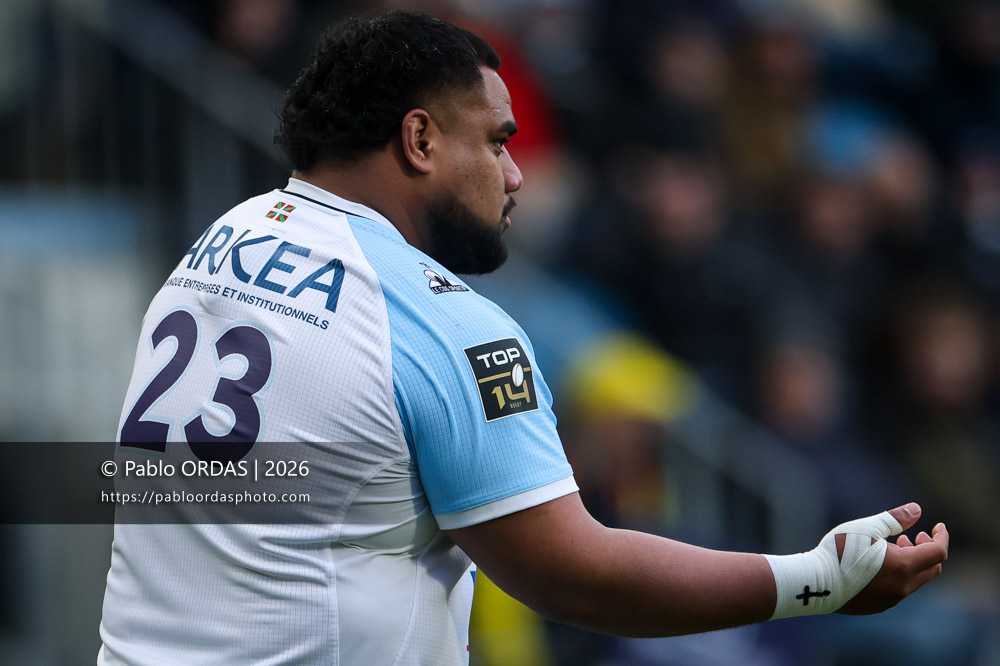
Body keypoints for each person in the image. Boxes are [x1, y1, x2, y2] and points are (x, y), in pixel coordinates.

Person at [98, 9, 949, 665]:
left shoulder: (227, 238)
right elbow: (573, 573)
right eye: (499, 142)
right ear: (420, 138)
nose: (515, 175)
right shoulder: (441, 321)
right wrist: (819, 583)